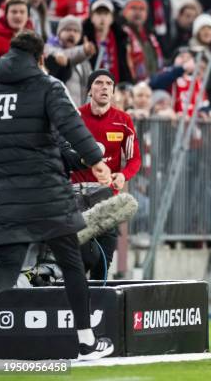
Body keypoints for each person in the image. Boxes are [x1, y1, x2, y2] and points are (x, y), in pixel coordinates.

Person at [0, 31, 113, 359]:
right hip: (46, 194)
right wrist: (96, 161)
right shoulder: (48, 86)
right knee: (72, 262)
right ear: (40, 58)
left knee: (4, 268)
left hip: (4, 196)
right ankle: (87, 341)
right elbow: (72, 125)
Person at [71, 69, 141, 280]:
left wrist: (123, 176)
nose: (104, 87)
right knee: (81, 256)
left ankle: (98, 307)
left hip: (106, 195)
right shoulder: (74, 116)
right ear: (89, 90)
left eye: (109, 84)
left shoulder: (123, 120)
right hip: (76, 195)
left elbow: (135, 158)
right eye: (98, 83)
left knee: (104, 259)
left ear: (113, 91)